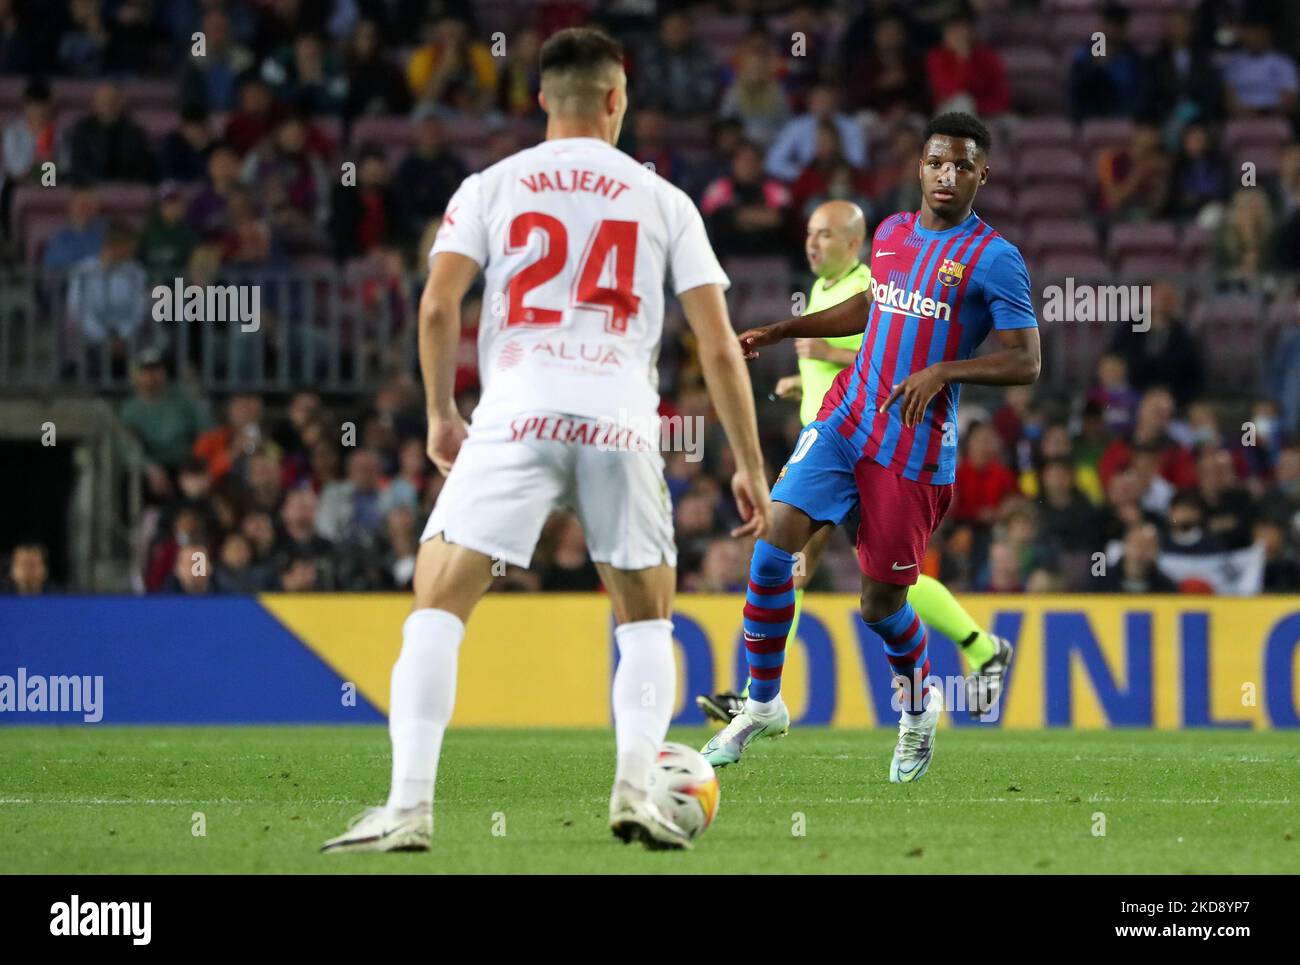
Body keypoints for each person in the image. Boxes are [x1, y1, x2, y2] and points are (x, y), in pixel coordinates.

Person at [322, 28, 770, 855]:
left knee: (436, 607)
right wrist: (748, 464)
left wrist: (439, 413)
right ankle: (636, 786)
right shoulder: (663, 199)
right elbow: (716, 343)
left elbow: (434, 307)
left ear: (540, 99)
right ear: (616, 98)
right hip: (619, 420)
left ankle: (408, 807)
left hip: (516, 415)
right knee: (645, 621)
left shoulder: (490, 185)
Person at [708, 112, 1039, 782]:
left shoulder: (995, 259)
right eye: (935, 163)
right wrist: (782, 328)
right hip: (846, 418)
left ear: (982, 175)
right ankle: (764, 702)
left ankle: (919, 708)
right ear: (919, 167)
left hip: (912, 451)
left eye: (961, 166)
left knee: (880, 605)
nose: (946, 176)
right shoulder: (889, 234)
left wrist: (944, 371)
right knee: (775, 544)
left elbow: (1026, 361)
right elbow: (870, 308)